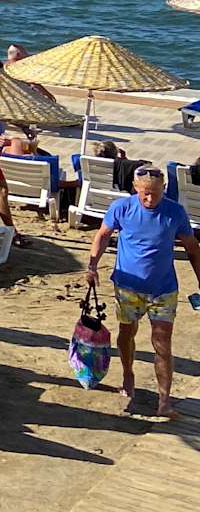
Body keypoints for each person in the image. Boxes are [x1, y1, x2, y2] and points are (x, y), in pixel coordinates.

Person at [86, 165, 200, 419]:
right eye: (145, 193)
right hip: (128, 286)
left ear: (164, 189)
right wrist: (92, 266)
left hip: (163, 289)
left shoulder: (175, 212)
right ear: (135, 188)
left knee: (162, 343)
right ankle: (128, 374)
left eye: (155, 193)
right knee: (127, 334)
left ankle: (164, 401)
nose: (150, 198)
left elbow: (192, 248)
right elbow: (103, 235)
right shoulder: (122, 208)